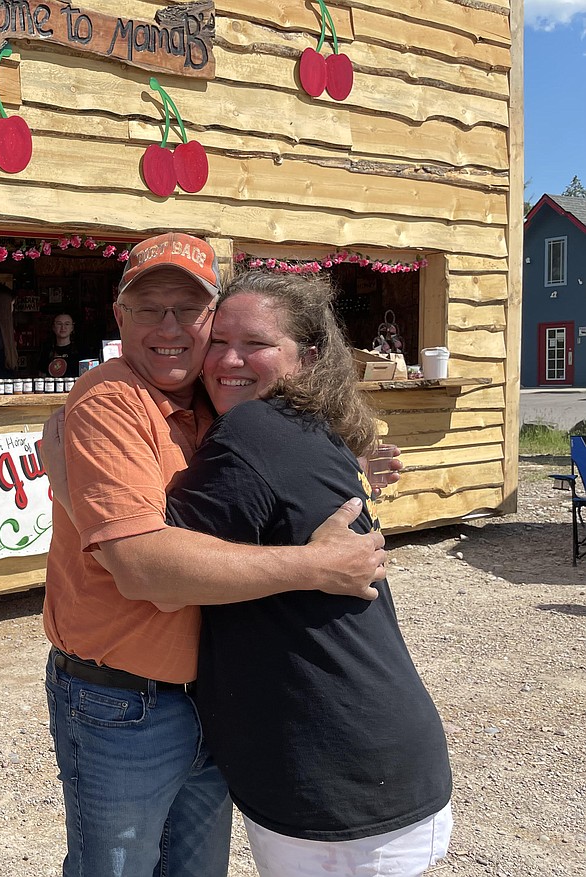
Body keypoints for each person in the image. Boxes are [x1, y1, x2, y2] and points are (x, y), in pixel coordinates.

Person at [41, 231, 393, 877]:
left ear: (213, 317)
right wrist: (315, 566)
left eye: (189, 309)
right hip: (123, 700)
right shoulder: (112, 400)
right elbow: (147, 570)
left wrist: (355, 454)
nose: (168, 327)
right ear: (120, 318)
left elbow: (300, 411)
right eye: (149, 308)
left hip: (212, 692)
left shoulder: (214, 394)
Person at [166, 269, 451, 875]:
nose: (227, 360)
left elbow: (153, 570)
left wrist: (67, 474)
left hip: (334, 771)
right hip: (376, 753)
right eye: (217, 341)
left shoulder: (249, 431)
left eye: (256, 344)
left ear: (308, 358)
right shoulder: (309, 428)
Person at [41, 312, 82, 378]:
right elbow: (42, 374)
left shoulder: (80, 351)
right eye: (59, 324)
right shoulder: (47, 350)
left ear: (72, 328)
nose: (63, 327)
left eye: (67, 324)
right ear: (53, 327)